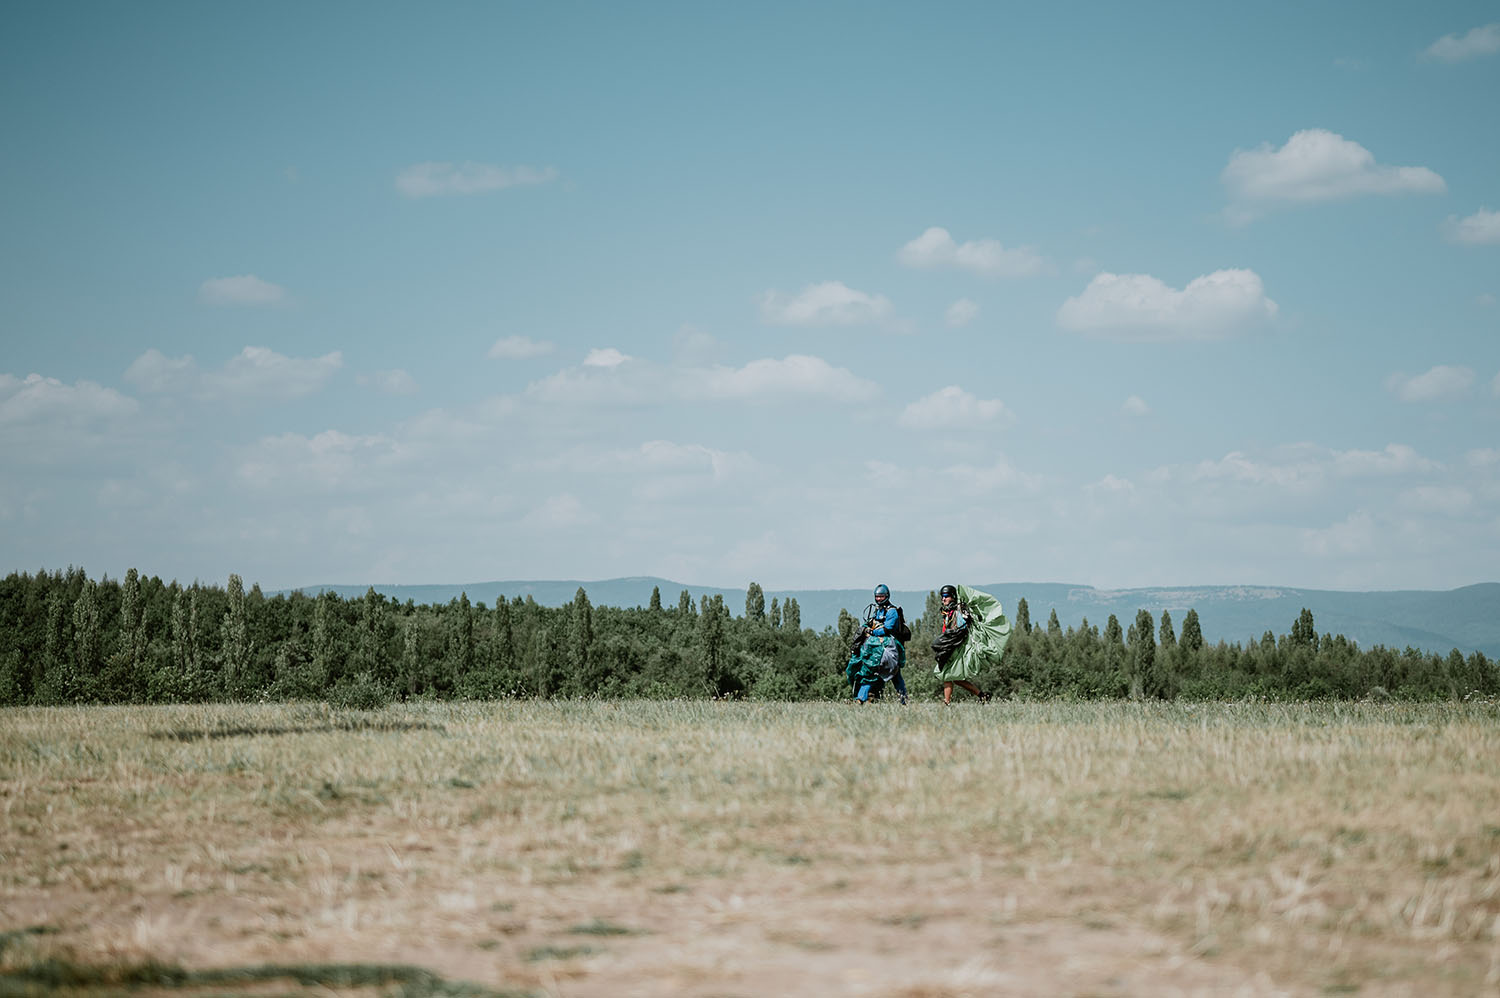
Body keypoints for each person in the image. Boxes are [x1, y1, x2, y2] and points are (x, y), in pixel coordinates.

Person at [932, 583, 1011, 704]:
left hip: (957, 648)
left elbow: (963, 628)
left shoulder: (959, 611)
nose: (943, 599)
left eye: (946, 596)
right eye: (942, 596)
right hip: (950, 647)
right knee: (953, 677)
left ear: (953, 596)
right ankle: (982, 695)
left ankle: (946, 703)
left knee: (946, 674)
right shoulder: (948, 612)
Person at [845, 583, 908, 704]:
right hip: (877, 648)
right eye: (877, 596)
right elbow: (871, 622)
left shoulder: (892, 611)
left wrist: (872, 632)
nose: (879, 599)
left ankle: (902, 700)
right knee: (876, 671)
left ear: (887, 596)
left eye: (882, 596)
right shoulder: (877, 610)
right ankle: (864, 698)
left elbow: (886, 629)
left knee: (879, 671)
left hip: (890, 648)